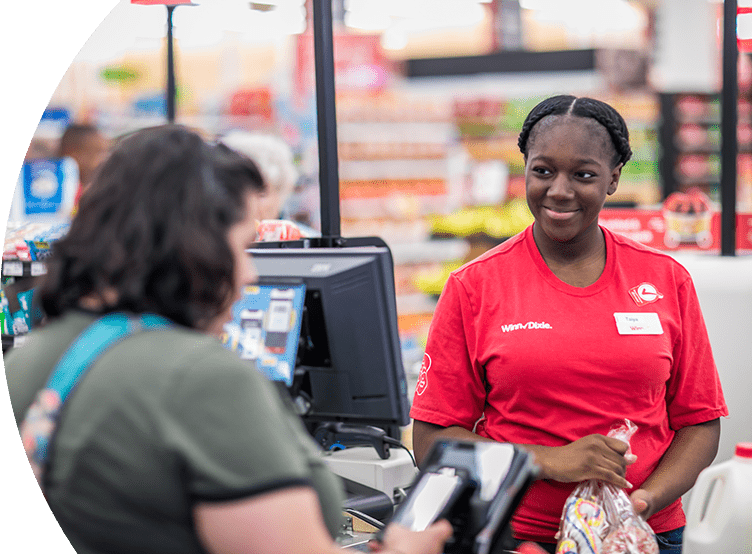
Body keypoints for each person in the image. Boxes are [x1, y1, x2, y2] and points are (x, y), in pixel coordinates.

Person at [4, 125, 451, 554]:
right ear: (197, 248)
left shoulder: (31, 361)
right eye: (242, 246)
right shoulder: (202, 379)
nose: (251, 274)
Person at [410, 95, 728, 554]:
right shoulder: (474, 285)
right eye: (543, 171)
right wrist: (544, 461)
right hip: (516, 535)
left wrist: (641, 503)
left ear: (613, 178)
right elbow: (432, 439)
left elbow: (699, 423)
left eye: (583, 174)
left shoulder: (665, 279)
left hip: (642, 535)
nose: (559, 190)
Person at [219, 130, 318, 238]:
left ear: (280, 193)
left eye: (261, 194)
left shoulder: (305, 241)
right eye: (237, 191)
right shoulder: (216, 242)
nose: (250, 202)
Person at [58, 122, 111, 203]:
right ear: (73, 154)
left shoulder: (99, 191)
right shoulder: (56, 195)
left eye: (106, 152)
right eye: (99, 152)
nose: (105, 159)